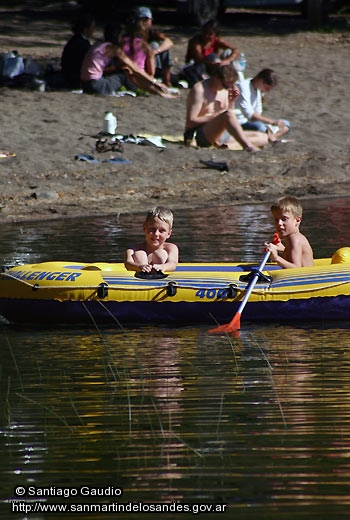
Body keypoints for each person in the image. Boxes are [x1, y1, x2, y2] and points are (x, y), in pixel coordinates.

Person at [184, 63, 268, 152]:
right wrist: (215, 117)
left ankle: (226, 146)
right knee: (228, 115)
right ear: (216, 77)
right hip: (200, 133)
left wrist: (232, 101)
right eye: (225, 85)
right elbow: (191, 121)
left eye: (230, 85)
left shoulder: (225, 90)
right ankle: (248, 146)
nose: (227, 88)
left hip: (221, 133)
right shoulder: (200, 90)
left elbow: (228, 116)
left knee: (264, 137)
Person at [80, 22, 176, 98]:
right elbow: (134, 68)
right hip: (97, 86)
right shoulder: (113, 49)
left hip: (84, 85)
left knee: (122, 70)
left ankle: (157, 92)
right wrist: (154, 82)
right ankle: (159, 93)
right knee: (126, 72)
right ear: (117, 36)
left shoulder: (98, 44)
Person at [236, 69, 291, 141]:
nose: (267, 91)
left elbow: (258, 113)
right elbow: (250, 115)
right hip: (240, 121)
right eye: (267, 88)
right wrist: (272, 122)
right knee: (260, 127)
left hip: (252, 121)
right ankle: (270, 137)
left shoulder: (258, 90)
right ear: (260, 81)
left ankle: (271, 137)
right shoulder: (243, 86)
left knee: (286, 124)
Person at [183, 20, 240, 87]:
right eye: (205, 32)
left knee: (228, 52)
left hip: (213, 65)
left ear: (215, 35)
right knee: (213, 56)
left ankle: (231, 77)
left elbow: (235, 50)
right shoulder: (196, 41)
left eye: (210, 34)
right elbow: (199, 59)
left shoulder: (217, 40)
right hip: (198, 66)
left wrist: (227, 60)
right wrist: (213, 64)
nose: (207, 35)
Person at [124, 206, 179, 273]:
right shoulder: (133, 249)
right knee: (139, 254)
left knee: (160, 253)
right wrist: (139, 267)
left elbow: (172, 264)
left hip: (162, 277)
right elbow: (128, 263)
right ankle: (144, 274)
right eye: (152, 229)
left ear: (169, 234)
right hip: (140, 277)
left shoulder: (171, 248)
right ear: (144, 229)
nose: (156, 234)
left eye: (162, 230)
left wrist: (163, 267)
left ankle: (158, 274)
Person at [264, 196, 314, 269]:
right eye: (276, 219)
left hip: (305, 278)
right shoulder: (293, 238)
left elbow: (297, 268)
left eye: (284, 219)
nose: (279, 223)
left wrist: (276, 258)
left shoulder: (295, 239)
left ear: (297, 220)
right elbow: (294, 255)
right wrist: (282, 249)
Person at [132, 6, 174, 87]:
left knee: (162, 46)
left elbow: (169, 42)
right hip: (140, 65)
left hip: (153, 62)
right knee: (153, 45)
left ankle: (167, 79)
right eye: (142, 20)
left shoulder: (153, 34)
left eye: (147, 19)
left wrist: (155, 51)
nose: (145, 22)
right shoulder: (133, 35)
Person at [61, 12, 96, 89]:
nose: (94, 30)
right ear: (86, 29)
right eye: (92, 27)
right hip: (75, 77)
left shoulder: (75, 40)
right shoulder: (81, 44)